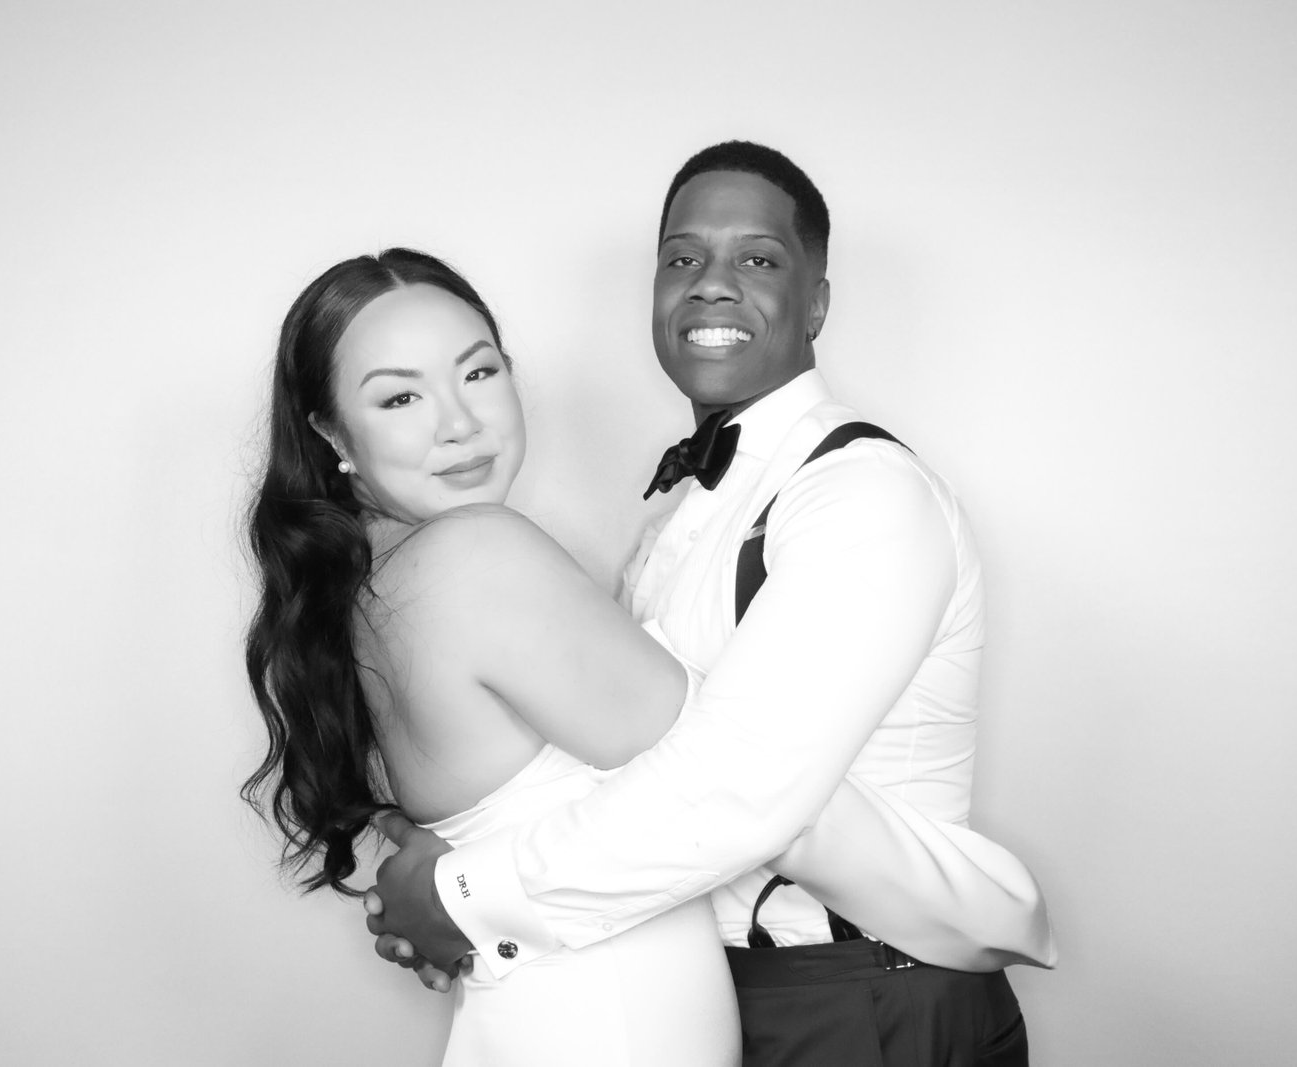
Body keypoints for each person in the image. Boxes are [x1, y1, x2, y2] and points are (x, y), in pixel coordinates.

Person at [366, 142, 1055, 1065]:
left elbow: (741, 786)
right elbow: (606, 767)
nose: (712, 284)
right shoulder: (673, 519)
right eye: (682, 258)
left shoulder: (863, 492)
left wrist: (466, 898)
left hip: (864, 998)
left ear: (817, 302)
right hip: (710, 996)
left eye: (758, 259)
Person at [242, 247, 742, 1065]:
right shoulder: (477, 553)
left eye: (477, 373)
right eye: (401, 396)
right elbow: (737, 781)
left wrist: (451, 894)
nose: (459, 423)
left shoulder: (367, 587)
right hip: (609, 1026)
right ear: (330, 431)